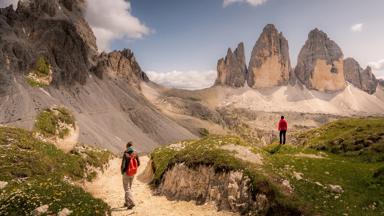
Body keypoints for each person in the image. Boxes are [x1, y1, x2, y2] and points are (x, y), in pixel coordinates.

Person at [120, 141, 140, 209]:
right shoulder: (135, 153)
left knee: (127, 188)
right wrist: (133, 168)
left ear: (127, 146)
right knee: (129, 188)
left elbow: (123, 165)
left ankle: (131, 202)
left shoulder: (126, 153)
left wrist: (122, 172)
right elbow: (139, 163)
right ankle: (127, 202)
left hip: (126, 173)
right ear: (132, 146)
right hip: (133, 173)